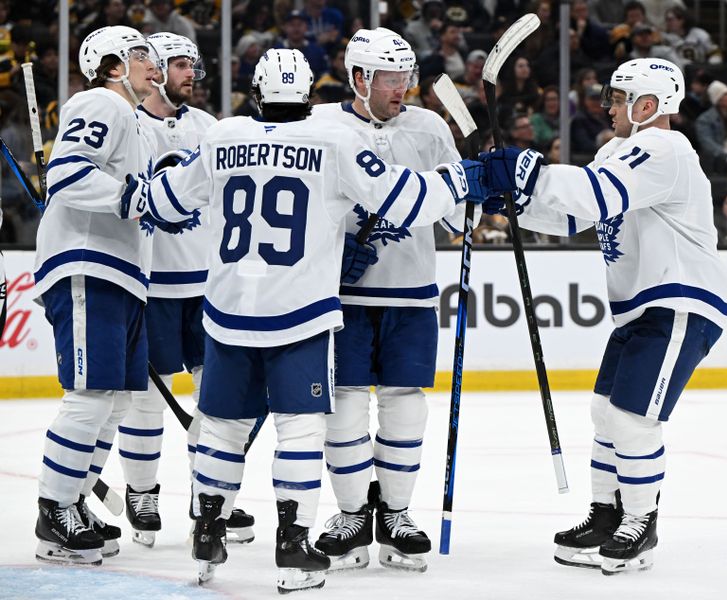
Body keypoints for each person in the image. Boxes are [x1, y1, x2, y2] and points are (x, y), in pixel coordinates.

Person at [145, 48, 489, 592]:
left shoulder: (221, 136)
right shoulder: (331, 139)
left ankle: (207, 529)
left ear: (255, 93)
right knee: (301, 431)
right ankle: (293, 545)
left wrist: (155, 183)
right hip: (302, 315)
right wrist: (465, 178)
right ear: (312, 93)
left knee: (223, 429)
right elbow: (403, 198)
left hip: (228, 312)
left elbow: (161, 203)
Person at [481, 57, 727, 575]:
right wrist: (513, 200)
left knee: (632, 419)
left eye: (618, 99)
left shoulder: (664, 148)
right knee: (604, 412)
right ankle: (606, 514)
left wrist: (527, 169)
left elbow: (596, 195)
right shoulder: (618, 150)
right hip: (642, 307)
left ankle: (641, 522)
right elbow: (577, 214)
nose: (609, 107)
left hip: (680, 300)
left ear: (648, 105)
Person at [308, 27, 472, 574]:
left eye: (407, 77)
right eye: (390, 78)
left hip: (410, 292)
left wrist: (477, 185)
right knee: (346, 402)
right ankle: (352, 514)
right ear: (358, 77)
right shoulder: (322, 127)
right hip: (342, 298)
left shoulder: (428, 127)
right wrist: (330, 254)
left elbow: (455, 215)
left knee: (404, 401)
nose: (402, 87)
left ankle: (397, 513)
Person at [116, 31, 255, 548]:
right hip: (149, 283)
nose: (189, 74)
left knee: (215, 400)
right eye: (178, 65)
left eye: (192, 65)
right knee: (147, 402)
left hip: (208, 285)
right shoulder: (127, 125)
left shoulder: (210, 128)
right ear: (152, 68)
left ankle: (212, 500)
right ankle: (142, 492)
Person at [32, 25, 157, 566]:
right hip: (90, 265)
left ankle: (75, 502)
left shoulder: (134, 121)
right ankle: (53, 511)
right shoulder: (99, 102)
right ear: (110, 66)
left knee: (116, 400)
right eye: (138, 55)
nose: (150, 63)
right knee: (89, 396)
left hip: (121, 272)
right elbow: (65, 175)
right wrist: (133, 195)